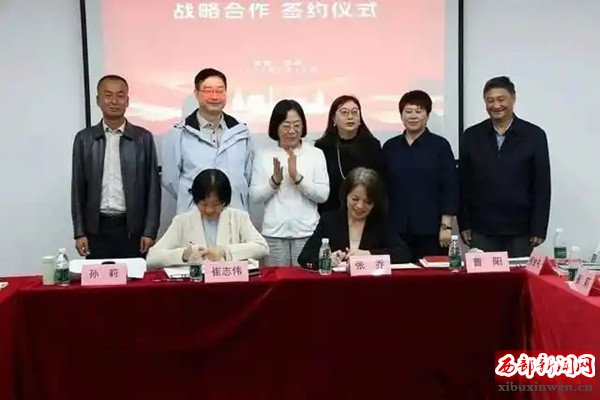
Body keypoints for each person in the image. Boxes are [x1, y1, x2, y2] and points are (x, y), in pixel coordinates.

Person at [458, 76, 551, 257]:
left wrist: (539, 227)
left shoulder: (534, 135)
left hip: (521, 230)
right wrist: (464, 223)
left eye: (501, 99)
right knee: (485, 276)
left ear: (513, 98)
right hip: (481, 229)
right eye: (490, 100)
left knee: (517, 275)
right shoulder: (471, 136)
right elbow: (463, 183)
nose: (496, 105)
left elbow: (542, 184)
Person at [71, 75, 161, 259]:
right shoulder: (84, 139)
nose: (114, 101)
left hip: (132, 230)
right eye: (108, 95)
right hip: (96, 229)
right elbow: (77, 189)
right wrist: (79, 232)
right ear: (98, 100)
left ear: (127, 101)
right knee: (99, 277)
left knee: (134, 277)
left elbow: (153, 188)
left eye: (120, 96)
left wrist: (150, 231)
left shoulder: (143, 138)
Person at [161, 68, 254, 214]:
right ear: (197, 93)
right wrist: (195, 199)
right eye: (208, 91)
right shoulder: (179, 134)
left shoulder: (241, 133)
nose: (214, 97)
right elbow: (170, 179)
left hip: (234, 215)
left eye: (220, 91)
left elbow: (247, 176)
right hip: (195, 215)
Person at [250, 100, 329, 266]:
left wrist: (297, 178)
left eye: (297, 125)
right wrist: (274, 182)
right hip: (274, 234)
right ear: (276, 127)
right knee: (278, 281)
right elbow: (255, 196)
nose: (292, 131)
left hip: (307, 233)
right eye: (286, 126)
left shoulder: (316, 154)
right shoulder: (263, 155)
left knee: (305, 281)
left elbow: (323, 195)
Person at [382, 90, 458, 261]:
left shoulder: (440, 146)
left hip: (431, 229)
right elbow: (383, 187)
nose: (413, 116)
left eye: (419, 111)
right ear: (401, 115)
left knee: (431, 274)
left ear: (427, 115)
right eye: (408, 111)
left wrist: (446, 226)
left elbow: (450, 186)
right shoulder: (390, 147)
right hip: (396, 229)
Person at [147, 169, 268, 267]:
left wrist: (225, 251)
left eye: (216, 204)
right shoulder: (182, 221)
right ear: (195, 199)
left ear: (225, 201)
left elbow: (262, 247)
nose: (209, 210)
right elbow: (152, 257)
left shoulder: (239, 217)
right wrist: (184, 254)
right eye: (203, 204)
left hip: (230, 284)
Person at [298, 167, 411, 267]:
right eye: (355, 199)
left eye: (367, 202)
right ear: (346, 196)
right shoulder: (329, 220)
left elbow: (404, 254)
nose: (360, 206)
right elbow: (304, 258)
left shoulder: (380, 222)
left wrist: (369, 254)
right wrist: (327, 259)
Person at [315, 95, 383, 213]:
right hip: (331, 212)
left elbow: (379, 183)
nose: (350, 117)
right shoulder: (322, 147)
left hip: (364, 212)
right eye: (344, 112)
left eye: (354, 112)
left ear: (360, 119)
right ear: (333, 118)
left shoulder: (372, 145)